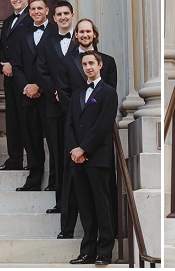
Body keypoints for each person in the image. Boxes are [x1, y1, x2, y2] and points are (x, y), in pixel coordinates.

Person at [57, 19, 118, 240]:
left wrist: (86, 145)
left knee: (101, 196)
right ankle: (70, 230)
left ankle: (106, 243)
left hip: (96, 141)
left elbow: (108, 100)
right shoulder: (67, 63)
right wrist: (76, 144)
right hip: (75, 135)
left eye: (88, 31)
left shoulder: (108, 63)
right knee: (75, 191)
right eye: (80, 31)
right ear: (76, 34)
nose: (84, 34)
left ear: (94, 34)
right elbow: (65, 95)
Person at [66, 51, 118, 267]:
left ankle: (104, 252)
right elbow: (69, 124)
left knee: (101, 205)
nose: (88, 67)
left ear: (100, 65)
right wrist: (73, 150)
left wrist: (84, 149)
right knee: (85, 208)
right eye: (84, 64)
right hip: (77, 159)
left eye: (91, 63)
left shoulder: (108, 92)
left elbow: (103, 125)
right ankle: (87, 252)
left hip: (97, 158)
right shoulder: (77, 93)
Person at [10, 0, 54, 191]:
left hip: (50, 97)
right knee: (32, 139)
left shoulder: (55, 33)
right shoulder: (22, 35)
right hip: (28, 96)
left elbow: (58, 66)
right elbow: (16, 65)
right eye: (33, 9)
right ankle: (34, 180)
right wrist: (27, 86)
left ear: (47, 10)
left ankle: (55, 181)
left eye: (39, 8)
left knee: (54, 141)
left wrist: (41, 86)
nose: (36, 11)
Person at [36, 1, 77, 214]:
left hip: (77, 108)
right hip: (53, 107)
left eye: (66, 14)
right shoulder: (46, 42)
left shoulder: (82, 40)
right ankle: (61, 203)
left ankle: (78, 202)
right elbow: (40, 71)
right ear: (54, 18)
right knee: (57, 156)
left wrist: (69, 95)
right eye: (59, 14)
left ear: (72, 15)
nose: (62, 17)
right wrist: (56, 92)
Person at [0, 0, 31, 172]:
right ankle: (14, 159)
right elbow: (2, 46)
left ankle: (31, 161)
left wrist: (13, 65)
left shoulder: (32, 18)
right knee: (12, 121)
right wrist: (3, 64)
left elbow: (30, 48)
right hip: (9, 78)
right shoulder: (8, 20)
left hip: (24, 77)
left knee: (26, 121)